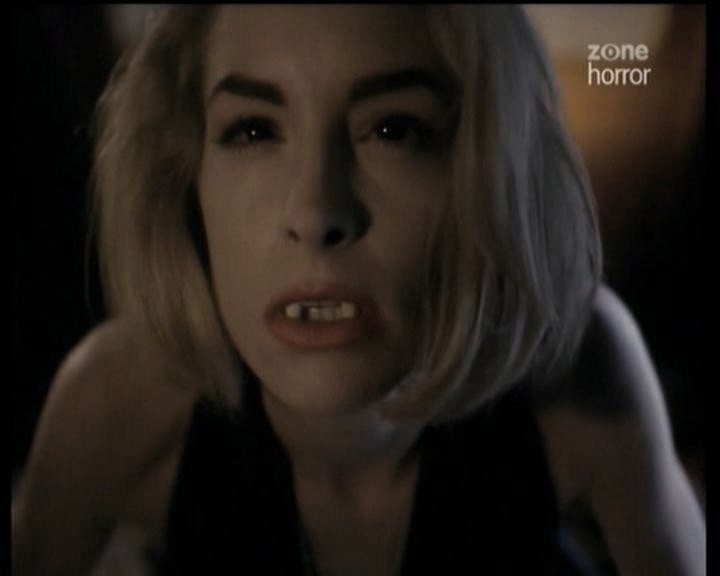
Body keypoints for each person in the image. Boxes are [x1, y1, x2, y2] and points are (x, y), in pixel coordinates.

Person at [11, 5, 705, 576]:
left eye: (393, 129)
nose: (319, 213)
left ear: (487, 168)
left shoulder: (584, 372)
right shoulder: (112, 401)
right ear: (185, 180)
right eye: (253, 130)